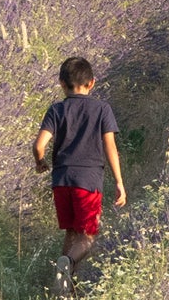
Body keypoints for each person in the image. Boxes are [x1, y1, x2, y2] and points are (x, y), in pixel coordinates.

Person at [32, 54, 126, 285]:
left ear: (61, 84)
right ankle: (68, 263)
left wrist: (40, 162)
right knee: (88, 236)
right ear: (92, 82)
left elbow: (38, 145)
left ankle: (65, 286)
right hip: (88, 180)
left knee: (72, 232)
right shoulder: (102, 109)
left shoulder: (56, 110)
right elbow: (110, 147)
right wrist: (119, 182)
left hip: (61, 179)